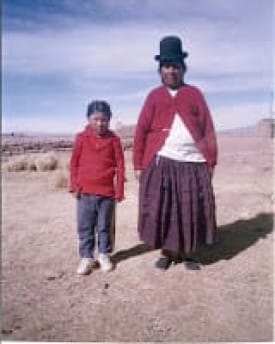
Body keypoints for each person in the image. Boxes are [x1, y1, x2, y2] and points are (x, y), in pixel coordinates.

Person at [133, 36, 218, 270]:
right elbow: (141, 131)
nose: (171, 71)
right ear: (160, 70)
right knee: (165, 208)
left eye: (175, 66)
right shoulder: (154, 96)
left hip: (193, 162)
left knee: (189, 209)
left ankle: (189, 253)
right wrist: (138, 165)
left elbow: (207, 128)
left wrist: (211, 160)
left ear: (183, 68)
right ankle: (167, 252)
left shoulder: (195, 94)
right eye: (167, 66)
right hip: (163, 161)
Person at [70, 100, 125, 275]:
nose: (100, 123)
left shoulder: (114, 139)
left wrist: (120, 189)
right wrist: (74, 185)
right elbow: (74, 163)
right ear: (88, 119)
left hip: (107, 193)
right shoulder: (81, 138)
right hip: (85, 192)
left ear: (109, 120)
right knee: (85, 226)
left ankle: (103, 254)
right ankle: (86, 257)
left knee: (104, 226)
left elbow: (120, 164)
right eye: (96, 119)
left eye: (104, 119)